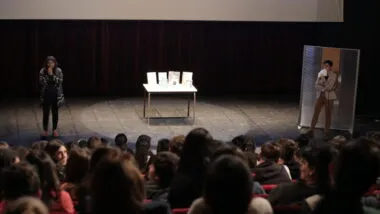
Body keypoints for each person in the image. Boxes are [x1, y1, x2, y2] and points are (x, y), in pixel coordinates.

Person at [308, 60, 338, 138]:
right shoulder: (320, 73)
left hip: (329, 97)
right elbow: (316, 85)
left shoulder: (334, 75)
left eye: (327, 66)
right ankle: (311, 129)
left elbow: (330, 87)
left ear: (330, 67)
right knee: (316, 112)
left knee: (328, 115)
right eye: (324, 66)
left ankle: (326, 131)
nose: (325, 67)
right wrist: (323, 89)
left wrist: (323, 86)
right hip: (320, 95)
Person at [39, 56, 64, 137]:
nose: (50, 64)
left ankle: (54, 130)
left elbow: (59, 82)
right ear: (46, 63)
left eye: (52, 63)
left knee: (55, 113)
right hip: (46, 94)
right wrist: (48, 74)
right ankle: (45, 130)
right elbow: (42, 82)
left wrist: (51, 75)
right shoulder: (43, 71)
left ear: (55, 63)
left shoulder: (58, 70)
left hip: (56, 95)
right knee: (45, 113)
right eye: (48, 63)